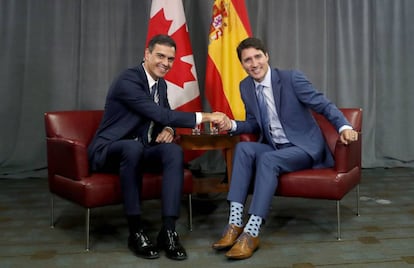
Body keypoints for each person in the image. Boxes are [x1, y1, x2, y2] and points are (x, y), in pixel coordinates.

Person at [212, 37, 359, 260]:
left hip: (304, 148)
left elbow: (323, 104)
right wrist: (231, 124)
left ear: (266, 56)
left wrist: (344, 126)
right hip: (274, 147)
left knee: (268, 161)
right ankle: (234, 224)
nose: (254, 64)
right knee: (243, 149)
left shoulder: (291, 79)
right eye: (247, 60)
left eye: (257, 57)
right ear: (242, 64)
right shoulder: (245, 87)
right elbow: (253, 122)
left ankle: (252, 232)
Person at [88, 34, 223, 261]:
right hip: (109, 151)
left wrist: (169, 130)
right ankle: (136, 231)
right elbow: (159, 113)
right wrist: (207, 116)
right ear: (147, 54)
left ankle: (168, 231)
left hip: (141, 150)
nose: (165, 63)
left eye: (170, 59)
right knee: (132, 148)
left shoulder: (160, 85)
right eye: (160, 56)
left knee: (172, 151)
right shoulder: (128, 80)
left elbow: (166, 118)